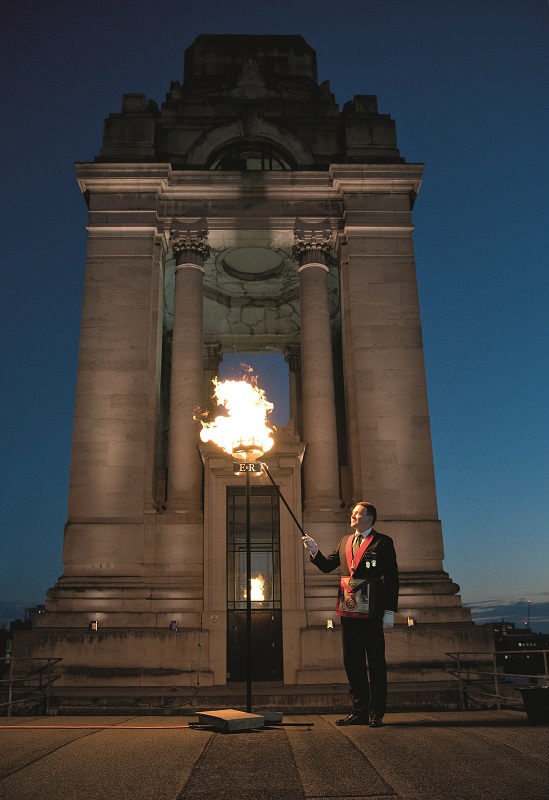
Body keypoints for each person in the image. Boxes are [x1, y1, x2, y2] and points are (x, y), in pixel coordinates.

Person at [303, 501, 399, 727]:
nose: (353, 515)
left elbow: (392, 578)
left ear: (369, 518)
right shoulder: (345, 541)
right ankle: (359, 711)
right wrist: (314, 551)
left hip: (373, 608)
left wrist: (389, 611)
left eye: (357, 513)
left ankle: (376, 712)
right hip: (348, 607)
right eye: (354, 512)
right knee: (352, 661)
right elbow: (327, 566)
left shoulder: (383, 542)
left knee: (375, 660)